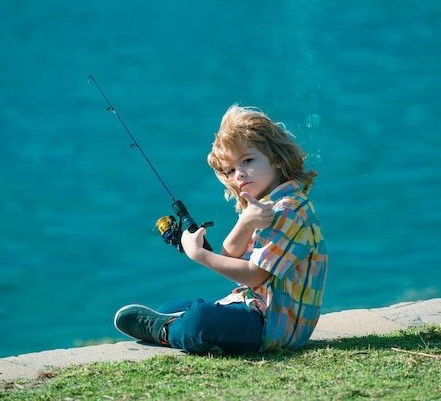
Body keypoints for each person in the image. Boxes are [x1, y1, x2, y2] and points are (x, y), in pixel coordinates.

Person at [114, 104, 328, 354]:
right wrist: (245, 221)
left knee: (199, 322)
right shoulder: (265, 206)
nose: (239, 174)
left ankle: (169, 329)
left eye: (247, 160)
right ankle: (172, 322)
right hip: (253, 308)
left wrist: (200, 255)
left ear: (277, 159)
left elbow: (254, 275)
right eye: (231, 170)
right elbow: (230, 257)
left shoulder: (287, 210)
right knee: (171, 305)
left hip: (270, 328)